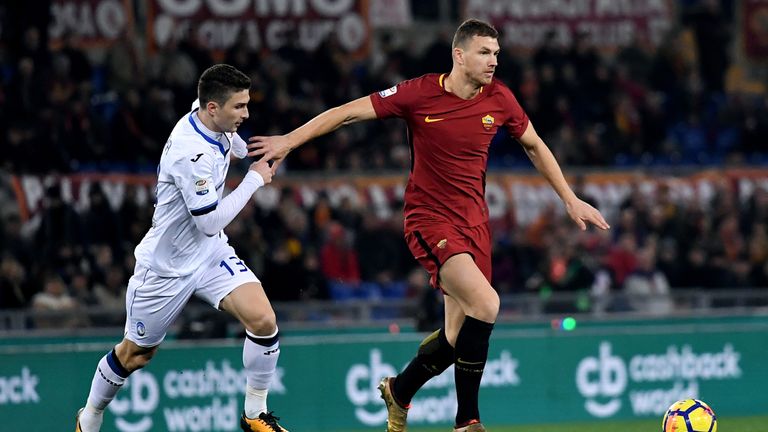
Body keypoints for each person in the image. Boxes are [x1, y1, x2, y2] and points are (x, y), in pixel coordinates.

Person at [248, 19, 610, 432]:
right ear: (459, 55)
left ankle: (399, 391)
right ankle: (467, 421)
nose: (493, 61)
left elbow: (534, 145)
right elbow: (348, 114)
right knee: (487, 304)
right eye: (484, 53)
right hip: (429, 220)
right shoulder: (418, 93)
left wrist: (569, 198)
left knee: (456, 340)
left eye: (496, 53)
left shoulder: (500, 99)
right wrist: (289, 141)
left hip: (476, 226)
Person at [75, 64, 288, 432]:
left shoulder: (208, 115)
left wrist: (249, 147)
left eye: (246, 104)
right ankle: (90, 415)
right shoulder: (191, 155)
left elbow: (228, 147)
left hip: (209, 253)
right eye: (239, 107)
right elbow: (209, 220)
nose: (246, 113)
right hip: (166, 268)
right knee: (136, 355)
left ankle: (254, 415)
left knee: (264, 320)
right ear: (212, 109)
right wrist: (254, 179)